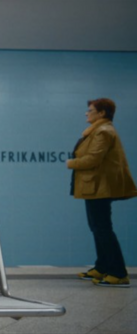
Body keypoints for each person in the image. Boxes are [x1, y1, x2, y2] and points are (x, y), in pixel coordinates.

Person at [67, 98, 136, 288]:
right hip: (95, 186)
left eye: (90, 110)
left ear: (102, 113)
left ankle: (118, 273)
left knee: (103, 229)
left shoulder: (104, 131)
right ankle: (103, 266)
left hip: (100, 187)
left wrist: (71, 163)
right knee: (97, 228)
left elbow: (93, 159)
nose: (86, 113)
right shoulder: (98, 130)